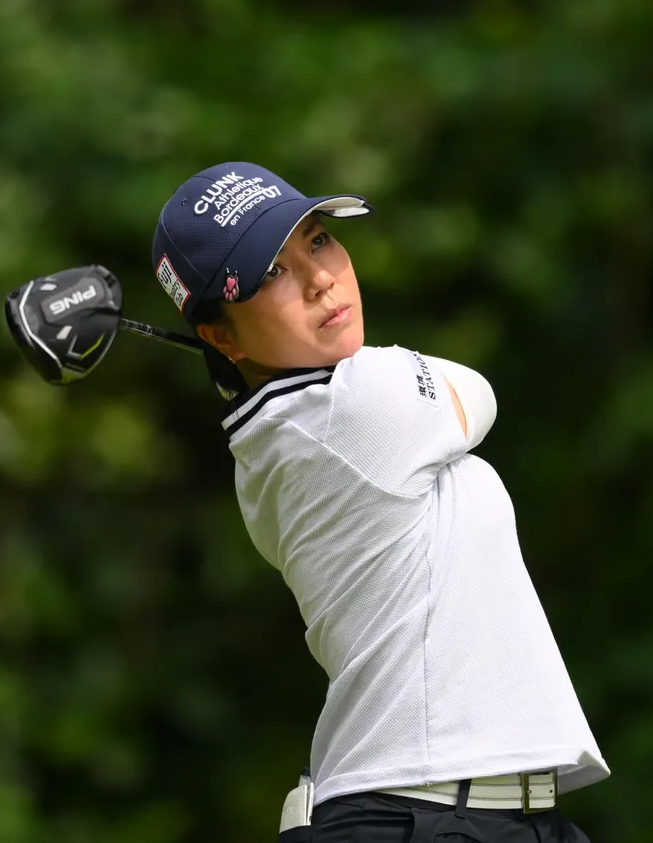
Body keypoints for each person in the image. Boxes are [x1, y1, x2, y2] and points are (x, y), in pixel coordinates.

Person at [151, 163, 610, 842]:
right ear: (221, 336)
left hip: (470, 811)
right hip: (423, 815)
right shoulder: (354, 405)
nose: (320, 278)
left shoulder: (283, 436)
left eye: (317, 241)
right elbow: (478, 391)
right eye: (271, 273)